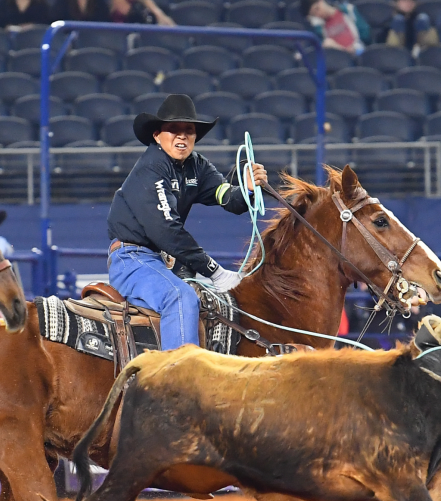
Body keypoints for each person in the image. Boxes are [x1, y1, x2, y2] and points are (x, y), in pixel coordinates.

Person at [107, 94, 267, 351]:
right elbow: (166, 231)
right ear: (157, 135)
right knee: (180, 297)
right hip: (132, 259)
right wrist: (214, 270)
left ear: (195, 137)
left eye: (188, 131)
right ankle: (179, 381)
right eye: (174, 129)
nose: (182, 136)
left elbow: (228, 198)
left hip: (160, 262)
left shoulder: (197, 166)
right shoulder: (152, 167)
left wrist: (246, 188)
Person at [305, 0, 370, 55]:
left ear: (321, 1)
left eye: (317, 9)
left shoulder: (348, 10)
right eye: (314, 14)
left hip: (358, 51)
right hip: (338, 58)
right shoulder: (320, 28)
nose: (318, 14)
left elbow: (365, 34)